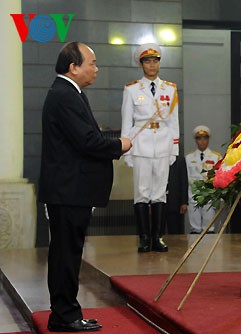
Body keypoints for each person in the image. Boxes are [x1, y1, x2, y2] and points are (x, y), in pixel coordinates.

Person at [38, 42, 132, 332]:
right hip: (68, 190)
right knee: (66, 254)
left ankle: (65, 312)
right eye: (91, 62)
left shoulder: (70, 93)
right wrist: (120, 144)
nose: (96, 68)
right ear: (73, 67)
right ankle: (65, 315)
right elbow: (87, 141)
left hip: (71, 190)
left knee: (68, 253)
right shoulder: (65, 95)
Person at [121, 43, 179, 252]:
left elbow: (173, 121)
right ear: (141, 64)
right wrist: (126, 149)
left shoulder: (170, 89)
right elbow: (127, 121)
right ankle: (144, 237)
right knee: (142, 192)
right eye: (147, 61)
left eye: (155, 60)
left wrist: (174, 147)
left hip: (163, 143)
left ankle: (158, 237)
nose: (152, 65)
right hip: (141, 145)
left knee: (160, 193)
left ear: (159, 63)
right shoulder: (132, 89)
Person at [186, 126, 221, 234]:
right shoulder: (189, 158)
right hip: (193, 195)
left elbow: (218, 177)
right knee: (194, 228)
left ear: (208, 139)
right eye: (199, 138)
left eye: (204, 138)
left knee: (209, 227)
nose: (202, 141)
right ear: (196, 140)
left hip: (209, 196)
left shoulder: (216, 157)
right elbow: (187, 177)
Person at [165, 155, 189, 234]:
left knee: (175, 230)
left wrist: (184, 202)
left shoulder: (179, 160)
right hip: (158, 202)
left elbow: (184, 181)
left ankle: (176, 246)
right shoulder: (156, 158)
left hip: (175, 202)